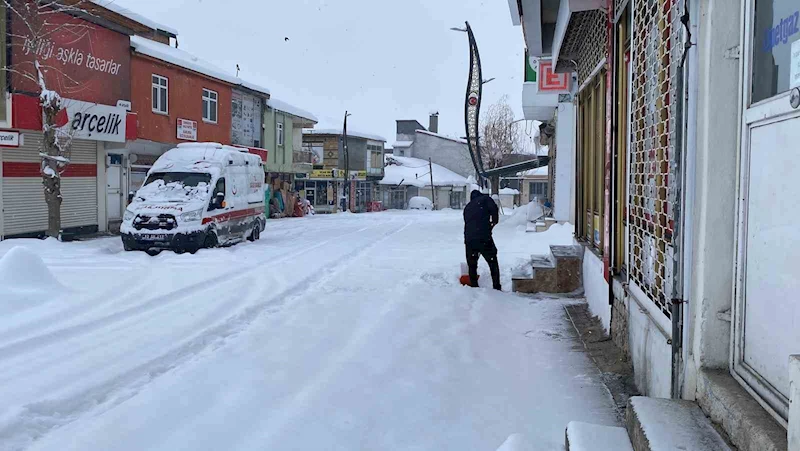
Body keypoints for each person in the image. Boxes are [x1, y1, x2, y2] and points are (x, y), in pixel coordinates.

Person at [463, 189, 501, 290]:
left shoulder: (467, 207)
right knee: (492, 261)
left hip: (469, 239)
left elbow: (468, 222)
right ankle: (496, 286)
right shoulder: (485, 199)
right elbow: (494, 209)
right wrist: (494, 222)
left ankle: (474, 286)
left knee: (472, 264)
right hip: (483, 237)